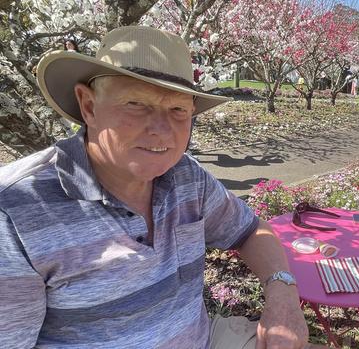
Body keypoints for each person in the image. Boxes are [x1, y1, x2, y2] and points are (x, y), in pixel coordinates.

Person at [0, 26, 324, 349]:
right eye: (136, 103)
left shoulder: (186, 176)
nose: (161, 130)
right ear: (88, 106)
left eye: (178, 110)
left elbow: (252, 231)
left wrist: (282, 293)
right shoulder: (15, 212)